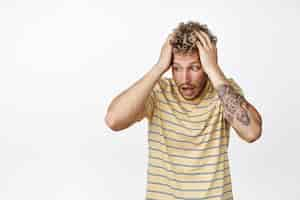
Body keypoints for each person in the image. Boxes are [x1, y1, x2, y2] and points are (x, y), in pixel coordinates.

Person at [105, 21, 263, 200]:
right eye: (177, 68)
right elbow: (113, 120)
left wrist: (214, 69)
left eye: (194, 67)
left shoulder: (223, 92)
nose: (185, 78)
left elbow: (252, 133)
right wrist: (158, 67)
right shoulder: (158, 91)